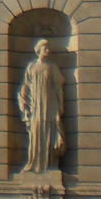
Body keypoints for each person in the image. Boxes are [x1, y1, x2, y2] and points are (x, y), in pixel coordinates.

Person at [17, 38, 67, 173]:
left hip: (49, 104)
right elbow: (25, 87)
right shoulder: (32, 67)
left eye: (48, 48)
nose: (48, 50)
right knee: (36, 132)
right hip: (35, 106)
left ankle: (50, 164)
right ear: (39, 50)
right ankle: (35, 163)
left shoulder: (52, 67)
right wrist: (24, 106)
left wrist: (60, 105)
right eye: (45, 48)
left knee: (49, 131)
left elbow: (58, 87)